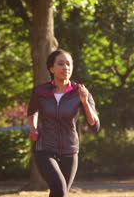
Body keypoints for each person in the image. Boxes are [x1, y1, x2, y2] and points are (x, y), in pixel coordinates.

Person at [27, 49, 100, 197]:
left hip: (70, 149)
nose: (65, 67)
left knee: (59, 193)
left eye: (68, 64)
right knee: (60, 188)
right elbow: (32, 111)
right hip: (44, 148)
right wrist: (33, 128)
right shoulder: (40, 91)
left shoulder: (79, 92)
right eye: (60, 64)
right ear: (51, 68)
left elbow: (95, 126)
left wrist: (85, 102)